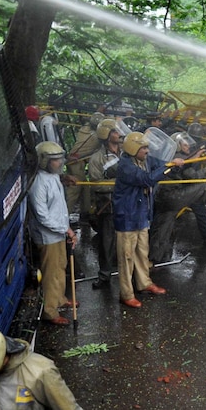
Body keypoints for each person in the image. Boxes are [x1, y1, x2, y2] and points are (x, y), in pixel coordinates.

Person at [113, 132, 185, 308]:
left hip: (141, 215)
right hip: (127, 217)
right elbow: (147, 179)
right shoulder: (125, 166)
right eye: (143, 148)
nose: (147, 150)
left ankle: (144, 282)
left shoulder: (145, 160)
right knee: (127, 257)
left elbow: (160, 164)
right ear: (133, 149)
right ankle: (126, 293)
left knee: (142, 252)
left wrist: (173, 164)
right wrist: (168, 166)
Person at [149, 132, 206, 262]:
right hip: (173, 196)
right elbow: (192, 177)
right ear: (177, 145)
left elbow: (187, 164)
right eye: (184, 142)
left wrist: (195, 156)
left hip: (161, 197)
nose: (187, 145)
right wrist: (204, 171)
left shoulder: (171, 156)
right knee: (204, 187)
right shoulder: (179, 158)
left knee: (163, 228)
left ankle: (153, 259)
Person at [27, 141, 78, 326]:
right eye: (55, 160)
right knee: (51, 273)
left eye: (60, 159)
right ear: (44, 161)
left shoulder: (53, 175)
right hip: (48, 235)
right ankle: (50, 310)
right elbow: (42, 216)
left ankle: (60, 298)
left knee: (60, 266)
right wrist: (67, 229)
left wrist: (65, 178)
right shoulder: (38, 183)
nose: (59, 163)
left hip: (58, 232)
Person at [87, 119, 121, 290]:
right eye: (115, 131)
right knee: (106, 241)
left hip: (126, 204)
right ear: (106, 135)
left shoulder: (126, 152)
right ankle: (105, 275)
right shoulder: (96, 158)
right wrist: (118, 182)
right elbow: (96, 184)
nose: (119, 134)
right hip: (108, 205)